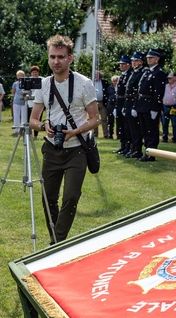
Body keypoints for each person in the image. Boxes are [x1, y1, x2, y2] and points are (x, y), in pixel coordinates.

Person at [30, 34, 100, 243]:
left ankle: (56, 242)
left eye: (61, 57)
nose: (56, 62)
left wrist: (75, 131)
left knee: (70, 197)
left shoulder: (84, 83)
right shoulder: (44, 84)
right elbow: (33, 119)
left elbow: (95, 119)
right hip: (52, 148)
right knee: (48, 199)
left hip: (77, 148)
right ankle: (56, 239)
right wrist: (44, 126)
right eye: (52, 57)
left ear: (70, 58)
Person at [133, 49, 166, 162]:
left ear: (157, 59)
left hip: (150, 105)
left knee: (151, 130)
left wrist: (155, 108)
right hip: (142, 104)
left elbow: (158, 93)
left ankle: (151, 153)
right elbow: (140, 91)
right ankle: (146, 151)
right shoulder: (147, 72)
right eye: (148, 58)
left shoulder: (159, 73)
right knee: (144, 130)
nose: (148, 59)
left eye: (151, 58)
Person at [122, 52, 145, 158]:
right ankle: (131, 148)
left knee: (135, 129)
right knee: (129, 128)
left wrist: (135, 106)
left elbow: (137, 92)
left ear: (141, 62)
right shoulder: (134, 73)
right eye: (133, 61)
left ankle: (137, 149)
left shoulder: (141, 73)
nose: (134, 63)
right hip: (128, 102)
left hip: (134, 102)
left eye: (136, 61)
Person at [113, 56, 131, 153]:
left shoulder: (129, 75)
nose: (121, 66)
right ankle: (123, 145)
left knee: (126, 126)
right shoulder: (122, 76)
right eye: (121, 64)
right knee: (120, 126)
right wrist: (116, 107)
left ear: (128, 65)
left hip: (124, 102)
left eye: (123, 64)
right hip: (119, 102)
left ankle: (128, 146)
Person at [161, 72, 176, 143]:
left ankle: (174, 138)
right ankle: (165, 137)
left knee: (174, 123)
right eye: (168, 78)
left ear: (175, 78)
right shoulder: (166, 86)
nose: (169, 79)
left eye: (171, 78)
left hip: (174, 107)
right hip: (165, 106)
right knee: (165, 123)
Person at [93, 70, 110, 139]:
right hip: (94, 103)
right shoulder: (91, 82)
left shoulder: (104, 82)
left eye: (98, 75)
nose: (96, 76)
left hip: (102, 102)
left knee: (104, 119)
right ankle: (95, 134)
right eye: (95, 75)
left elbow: (108, 91)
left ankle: (106, 134)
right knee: (94, 119)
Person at [105, 75, 118, 139]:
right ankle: (110, 134)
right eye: (114, 81)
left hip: (118, 105)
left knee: (118, 121)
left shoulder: (120, 87)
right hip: (110, 105)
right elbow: (107, 96)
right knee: (110, 121)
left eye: (116, 81)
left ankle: (119, 134)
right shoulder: (109, 88)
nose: (115, 82)